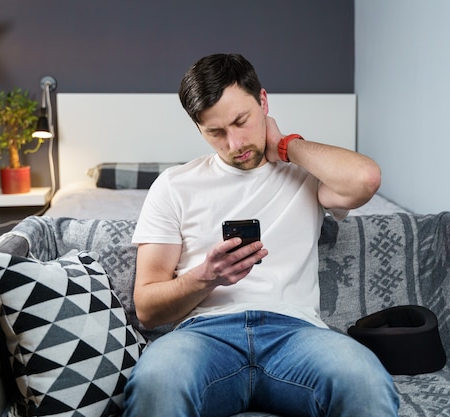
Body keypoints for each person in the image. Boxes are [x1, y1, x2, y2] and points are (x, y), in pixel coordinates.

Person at [123, 53, 399, 417]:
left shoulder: (305, 173)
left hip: (295, 334)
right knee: (156, 382)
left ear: (263, 102)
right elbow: (147, 309)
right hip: (205, 337)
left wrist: (285, 145)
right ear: (198, 129)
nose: (235, 143)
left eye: (242, 121)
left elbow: (366, 179)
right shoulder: (174, 186)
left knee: (366, 381)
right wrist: (205, 279)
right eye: (216, 132)